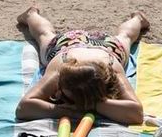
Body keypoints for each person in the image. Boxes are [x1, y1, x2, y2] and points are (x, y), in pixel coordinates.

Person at [14, 7, 147, 126]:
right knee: (125, 36)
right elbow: (23, 108)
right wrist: (67, 110)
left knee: (45, 34)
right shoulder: (60, 72)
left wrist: (90, 104)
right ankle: (31, 14)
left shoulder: (112, 71)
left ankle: (138, 19)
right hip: (66, 47)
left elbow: (136, 113)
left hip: (107, 48)